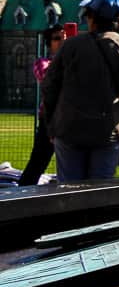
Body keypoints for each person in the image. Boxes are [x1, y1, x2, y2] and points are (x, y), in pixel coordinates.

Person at [42, 0, 119, 182]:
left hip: (69, 127)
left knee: (68, 191)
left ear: (91, 17)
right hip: (108, 128)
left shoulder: (70, 46)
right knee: (100, 192)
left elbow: (49, 85)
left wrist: (51, 123)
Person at [18, 24, 66, 185]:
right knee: (37, 163)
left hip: (70, 120)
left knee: (70, 167)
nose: (63, 41)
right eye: (57, 38)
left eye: (65, 37)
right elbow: (48, 78)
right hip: (49, 121)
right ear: (49, 43)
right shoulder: (42, 63)